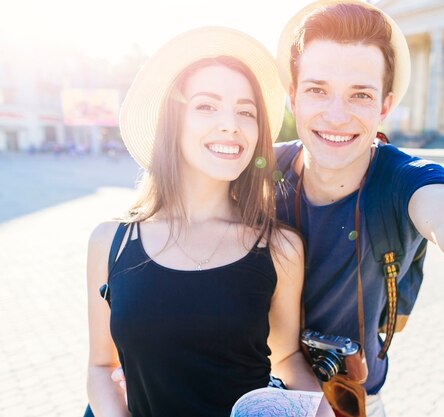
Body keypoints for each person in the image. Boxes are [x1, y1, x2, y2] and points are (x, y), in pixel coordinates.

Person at [112, 1, 444, 416]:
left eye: (359, 95)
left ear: (385, 105)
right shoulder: (262, 171)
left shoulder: (404, 181)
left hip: (347, 398)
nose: (336, 115)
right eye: (318, 90)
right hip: (247, 394)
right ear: (292, 96)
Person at [86, 26, 331, 417]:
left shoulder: (280, 247)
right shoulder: (111, 241)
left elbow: (286, 358)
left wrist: (323, 414)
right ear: (173, 121)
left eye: (246, 112)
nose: (231, 124)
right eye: (206, 105)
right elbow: (101, 366)